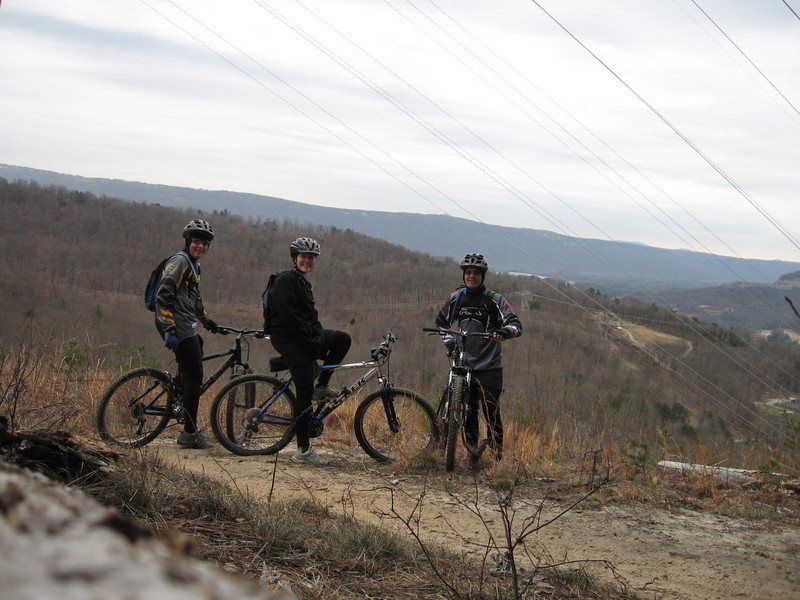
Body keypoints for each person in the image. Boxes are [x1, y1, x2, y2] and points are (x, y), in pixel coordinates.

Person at [265, 236, 352, 465]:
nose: (307, 261)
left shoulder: (303, 282)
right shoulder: (285, 281)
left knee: (342, 340)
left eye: (311, 258)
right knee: (303, 393)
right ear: (295, 258)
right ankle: (302, 450)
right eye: (304, 257)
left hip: (305, 337)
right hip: (288, 339)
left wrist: (318, 336)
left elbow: (311, 317)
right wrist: (310, 343)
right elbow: (290, 319)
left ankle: (321, 386)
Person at [435, 253, 522, 461]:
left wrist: (504, 332)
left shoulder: (494, 299)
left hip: (489, 367)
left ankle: (497, 457)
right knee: (468, 412)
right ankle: (472, 454)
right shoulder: (456, 298)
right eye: (468, 273)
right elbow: (441, 323)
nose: (471, 276)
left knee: (491, 412)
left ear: (482, 276)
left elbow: (516, 325)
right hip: (463, 365)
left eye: (476, 273)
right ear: (464, 275)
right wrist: (450, 343)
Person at [154, 218, 220, 449]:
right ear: (188, 242)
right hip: (176, 325)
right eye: (197, 242)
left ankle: (180, 394)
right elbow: (162, 295)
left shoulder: (194, 264)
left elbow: (193, 296)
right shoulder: (179, 262)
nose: (201, 246)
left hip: (185, 324)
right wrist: (169, 328)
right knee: (195, 375)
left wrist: (205, 318)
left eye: (205, 243)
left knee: (197, 346)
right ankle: (189, 433)